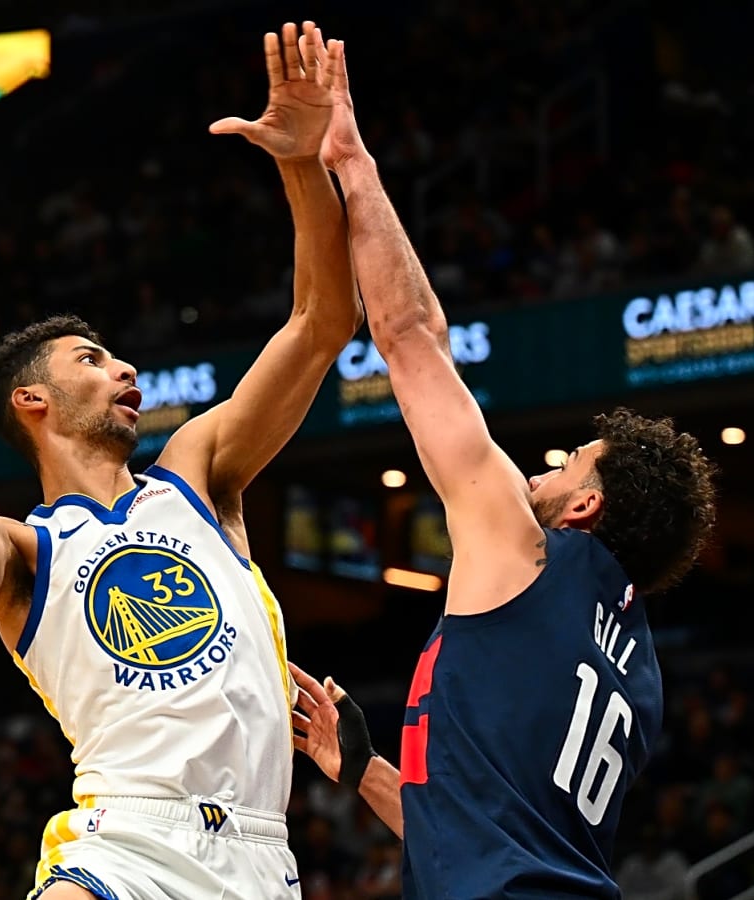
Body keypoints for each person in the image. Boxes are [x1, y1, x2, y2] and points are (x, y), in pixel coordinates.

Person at [0, 22, 359, 900]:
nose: (125, 368)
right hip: (125, 840)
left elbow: (323, 322)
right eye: (93, 360)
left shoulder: (197, 476)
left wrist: (302, 164)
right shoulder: (27, 557)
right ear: (33, 400)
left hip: (261, 856)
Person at [289, 37, 718, 899]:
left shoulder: (526, 552)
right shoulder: (639, 674)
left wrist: (350, 161)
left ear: (586, 507)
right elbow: (493, 836)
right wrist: (365, 769)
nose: (537, 477)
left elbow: (412, 337)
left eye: (567, 467)